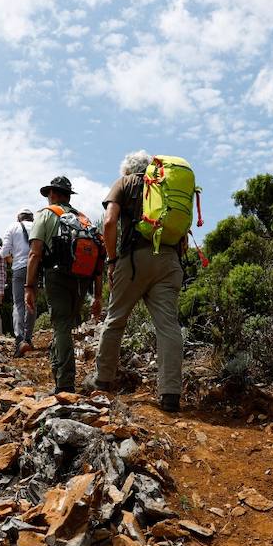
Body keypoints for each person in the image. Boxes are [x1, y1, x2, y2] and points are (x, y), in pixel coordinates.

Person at [96, 151, 185, 412]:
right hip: (168, 260)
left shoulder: (124, 183)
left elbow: (110, 222)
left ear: (127, 170)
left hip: (134, 259)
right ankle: (170, 394)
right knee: (168, 326)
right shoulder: (165, 185)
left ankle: (102, 382)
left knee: (115, 320)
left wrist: (112, 261)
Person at [26, 176, 103, 395]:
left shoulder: (46, 214)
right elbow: (99, 259)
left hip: (57, 274)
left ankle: (65, 382)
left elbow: (34, 253)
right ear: (69, 195)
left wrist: (29, 288)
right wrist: (98, 296)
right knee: (65, 326)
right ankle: (57, 369)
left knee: (60, 326)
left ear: (52, 194)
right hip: (83, 277)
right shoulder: (84, 219)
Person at [0, 208, 36, 356]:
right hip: (35, 268)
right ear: (31, 218)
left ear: (18, 218)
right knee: (32, 302)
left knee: (19, 303)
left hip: (19, 268)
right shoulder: (36, 226)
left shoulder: (12, 227)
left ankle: (19, 339)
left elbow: (4, 252)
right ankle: (28, 338)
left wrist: (11, 260)